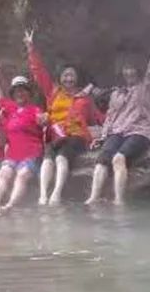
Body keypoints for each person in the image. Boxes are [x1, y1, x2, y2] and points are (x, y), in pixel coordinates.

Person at [86, 20, 150, 206]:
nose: (129, 71)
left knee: (118, 158)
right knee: (101, 161)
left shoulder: (146, 87)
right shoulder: (117, 92)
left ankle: (119, 201)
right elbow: (110, 116)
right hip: (117, 132)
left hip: (139, 132)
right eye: (126, 69)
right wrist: (103, 136)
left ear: (138, 70)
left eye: (132, 68)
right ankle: (93, 198)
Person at [25, 29, 103, 205]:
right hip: (55, 134)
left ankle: (56, 194)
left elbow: (99, 117)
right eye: (65, 75)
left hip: (75, 136)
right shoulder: (53, 92)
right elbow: (39, 73)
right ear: (60, 78)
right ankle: (43, 195)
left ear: (77, 79)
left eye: (72, 76)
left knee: (61, 157)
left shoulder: (85, 98)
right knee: (47, 158)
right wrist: (31, 49)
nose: (69, 78)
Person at [0, 64, 47, 212]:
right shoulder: (9, 108)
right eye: (17, 91)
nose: (20, 93)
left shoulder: (35, 109)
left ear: (28, 93)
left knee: (21, 176)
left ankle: (9, 206)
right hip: (13, 154)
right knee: (4, 174)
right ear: (13, 94)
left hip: (31, 153)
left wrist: (44, 120)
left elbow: (43, 122)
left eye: (23, 90)